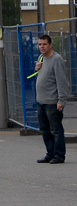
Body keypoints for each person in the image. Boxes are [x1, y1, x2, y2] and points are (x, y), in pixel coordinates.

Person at [35, 34, 69, 164]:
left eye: (44, 44)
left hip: (52, 102)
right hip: (41, 101)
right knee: (45, 129)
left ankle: (59, 155)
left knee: (56, 130)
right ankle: (50, 153)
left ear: (50, 45)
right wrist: (36, 69)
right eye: (39, 44)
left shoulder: (56, 59)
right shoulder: (41, 58)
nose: (42, 47)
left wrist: (61, 100)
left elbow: (61, 81)